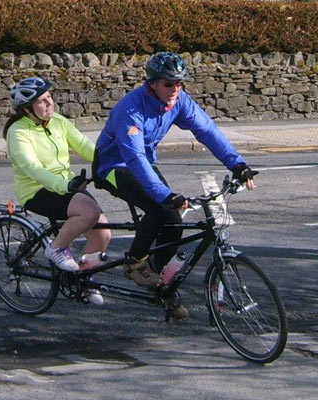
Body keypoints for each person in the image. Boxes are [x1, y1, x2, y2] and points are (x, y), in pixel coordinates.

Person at [94, 52, 257, 318]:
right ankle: (134, 263)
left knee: (174, 223)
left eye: (180, 83)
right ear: (153, 83)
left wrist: (237, 164)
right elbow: (133, 157)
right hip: (113, 166)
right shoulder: (131, 108)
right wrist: (165, 195)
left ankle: (156, 281)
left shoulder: (178, 101)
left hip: (144, 164)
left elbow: (208, 131)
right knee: (161, 209)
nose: (175, 90)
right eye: (169, 84)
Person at [4, 77, 111, 304]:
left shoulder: (58, 122)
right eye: (42, 101)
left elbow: (85, 146)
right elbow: (33, 169)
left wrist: (113, 162)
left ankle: (85, 281)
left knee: (103, 234)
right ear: (26, 109)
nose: (49, 103)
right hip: (37, 190)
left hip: (66, 186)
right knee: (88, 211)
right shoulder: (18, 132)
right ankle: (57, 248)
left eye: (50, 98)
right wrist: (66, 186)